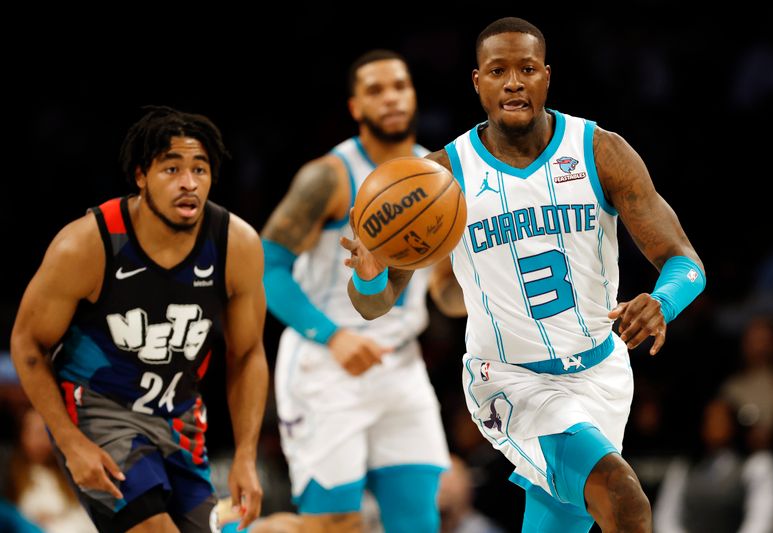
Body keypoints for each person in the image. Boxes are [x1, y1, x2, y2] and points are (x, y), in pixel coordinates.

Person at [342, 18, 706, 532]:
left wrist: (662, 301)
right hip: (511, 380)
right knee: (625, 500)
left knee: (561, 518)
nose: (513, 81)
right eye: (498, 70)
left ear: (546, 77)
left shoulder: (600, 152)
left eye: (527, 69)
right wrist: (371, 274)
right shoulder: (442, 177)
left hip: (601, 373)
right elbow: (373, 305)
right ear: (478, 82)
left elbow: (686, 262)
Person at [10, 107, 268, 532]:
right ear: (141, 176)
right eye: (172, 168)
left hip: (181, 417)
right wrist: (70, 441)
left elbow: (248, 353)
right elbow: (26, 343)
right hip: (98, 409)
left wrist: (245, 455)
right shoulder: (87, 245)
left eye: (200, 169)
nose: (189, 183)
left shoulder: (236, 244)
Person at [261, 50, 459, 532]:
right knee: (335, 525)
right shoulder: (327, 177)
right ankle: (230, 528)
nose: (390, 97)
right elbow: (266, 267)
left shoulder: (438, 177)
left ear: (413, 96)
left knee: (418, 522)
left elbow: (447, 298)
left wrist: (485, 290)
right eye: (375, 90)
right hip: (326, 360)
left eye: (399, 86)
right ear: (355, 107)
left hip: (400, 362)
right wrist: (332, 336)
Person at [653, 398, 773, 533]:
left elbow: (761, 519)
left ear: (734, 424)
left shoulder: (758, 464)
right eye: (709, 419)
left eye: (722, 420)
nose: (715, 425)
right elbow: (665, 516)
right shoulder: (684, 466)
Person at [5, 408, 96, 532]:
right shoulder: (10, 474)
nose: (41, 440)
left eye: (45, 433)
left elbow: (81, 514)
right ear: (22, 434)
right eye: (35, 432)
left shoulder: (67, 470)